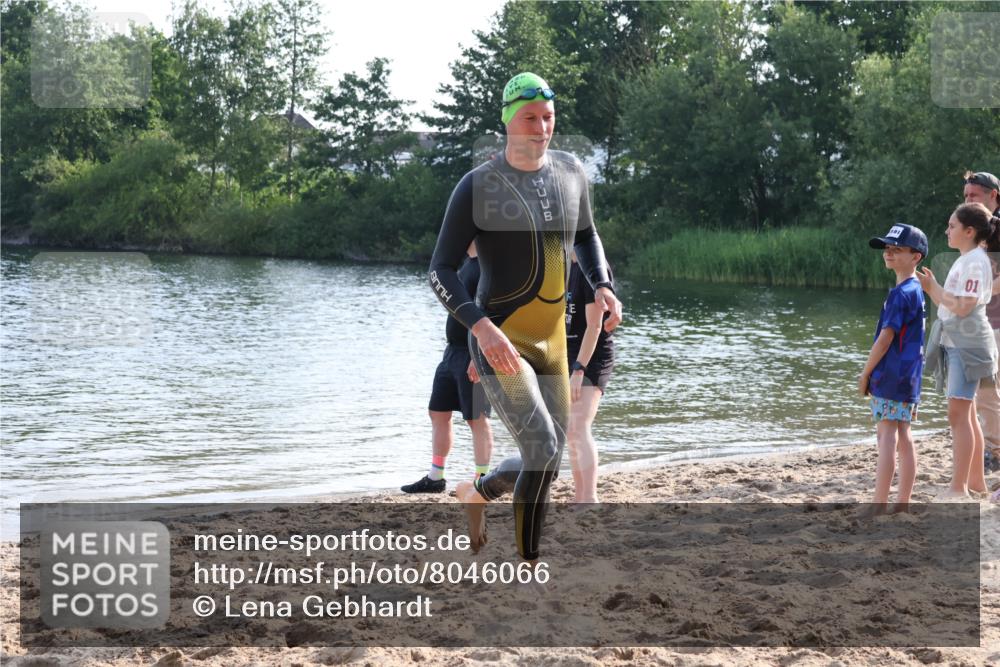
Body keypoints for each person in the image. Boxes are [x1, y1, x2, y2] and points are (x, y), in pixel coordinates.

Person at [428, 72, 622, 562]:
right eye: (529, 118)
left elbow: (586, 235)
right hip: (501, 340)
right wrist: (480, 327)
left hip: (552, 342)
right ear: (508, 122)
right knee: (540, 446)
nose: (541, 128)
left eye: (548, 118)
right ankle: (528, 562)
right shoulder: (478, 186)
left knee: (548, 459)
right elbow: (440, 270)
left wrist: (602, 284)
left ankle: (479, 493)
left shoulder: (570, 172)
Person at [918, 203, 1000, 498]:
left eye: (952, 226)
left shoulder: (974, 262)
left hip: (968, 343)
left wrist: (933, 288)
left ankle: (958, 488)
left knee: (959, 414)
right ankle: (975, 483)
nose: (947, 230)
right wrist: (934, 288)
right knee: (965, 413)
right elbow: (954, 305)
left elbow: (963, 307)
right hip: (963, 340)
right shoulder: (969, 259)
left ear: (969, 231)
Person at [402, 243, 493, 493]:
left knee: (477, 418)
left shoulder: (486, 267)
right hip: (451, 352)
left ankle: (482, 480)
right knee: (438, 412)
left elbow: (492, 313)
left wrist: (480, 356)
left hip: (474, 352)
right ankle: (436, 477)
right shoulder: (466, 265)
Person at [858, 223, 927, 515]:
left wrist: (866, 372)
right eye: (887, 248)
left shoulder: (901, 294)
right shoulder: (916, 289)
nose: (889, 253)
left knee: (886, 436)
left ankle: (879, 503)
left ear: (916, 256)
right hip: (909, 377)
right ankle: (902, 503)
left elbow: (886, 338)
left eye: (897, 249)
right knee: (904, 436)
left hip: (890, 376)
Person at [565, 253, 615, 503]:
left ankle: (590, 498)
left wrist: (579, 369)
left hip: (591, 357)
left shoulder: (593, 268)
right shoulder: (565, 264)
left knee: (579, 425)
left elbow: (594, 327)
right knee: (570, 431)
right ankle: (579, 496)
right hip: (568, 354)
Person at [963, 172, 1000, 459]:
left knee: (987, 388)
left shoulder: (997, 228)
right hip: (984, 318)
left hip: (994, 319)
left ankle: (994, 450)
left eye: (973, 195)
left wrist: (978, 296)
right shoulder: (975, 228)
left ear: (993, 195)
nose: (968, 201)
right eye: (965, 196)